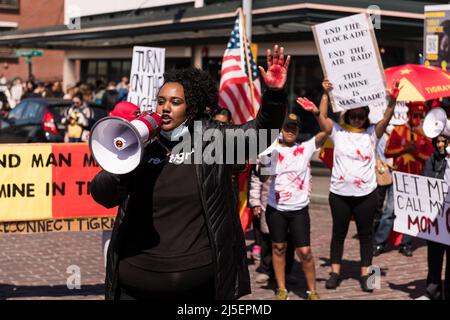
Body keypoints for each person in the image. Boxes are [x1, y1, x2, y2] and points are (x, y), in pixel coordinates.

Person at [90, 45, 290, 300]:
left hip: (195, 282)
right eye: (161, 101)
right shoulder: (142, 146)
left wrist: (274, 94)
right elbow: (102, 195)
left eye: (175, 102)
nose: (165, 108)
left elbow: (260, 132)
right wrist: (122, 163)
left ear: (192, 107)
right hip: (135, 279)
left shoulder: (213, 141)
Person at [297, 79, 400, 292]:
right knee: (339, 233)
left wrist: (392, 101)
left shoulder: (372, 133)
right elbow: (323, 119)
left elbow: (387, 119)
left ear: (366, 116)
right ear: (347, 116)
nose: (357, 119)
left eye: (361, 115)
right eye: (353, 115)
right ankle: (335, 273)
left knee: (366, 235)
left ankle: (368, 277)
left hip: (367, 194)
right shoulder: (338, 132)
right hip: (339, 194)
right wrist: (324, 95)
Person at [260, 111, 326, 300]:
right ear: (281, 129)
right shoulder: (271, 148)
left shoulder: (305, 148)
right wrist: (265, 159)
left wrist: (317, 113)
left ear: (298, 131)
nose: (290, 130)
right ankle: (281, 289)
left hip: (298, 210)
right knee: (278, 248)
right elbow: (264, 177)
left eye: (293, 128)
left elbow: (327, 130)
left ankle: (312, 290)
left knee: (305, 252)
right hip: (276, 209)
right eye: (287, 127)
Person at [378, 102, 434, 257]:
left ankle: (406, 244)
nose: (417, 119)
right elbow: (388, 151)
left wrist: (415, 152)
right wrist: (404, 149)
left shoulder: (424, 134)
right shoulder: (398, 130)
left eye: (420, 116)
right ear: (409, 114)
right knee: (390, 210)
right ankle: (380, 242)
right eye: (414, 115)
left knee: (410, 213)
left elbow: (429, 157)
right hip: (398, 177)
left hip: (415, 179)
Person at [249, 162, 297, 285]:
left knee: (289, 240)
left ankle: (287, 271)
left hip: (290, 204)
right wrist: (255, 202)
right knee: (267, 238)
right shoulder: (268, 157)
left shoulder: (295, 155)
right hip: (268, 203)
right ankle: (266, 270)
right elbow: (257, 180)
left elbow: (304, 179)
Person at [421, 134, 450, 300]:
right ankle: (433, 292)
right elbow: (425, 182)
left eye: (443, 141)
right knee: (434, 258)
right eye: (437, 141)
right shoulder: (431, 160)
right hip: (435, 220)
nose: (440, 145)